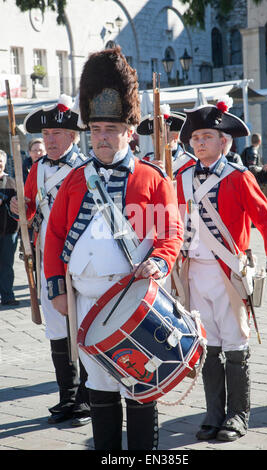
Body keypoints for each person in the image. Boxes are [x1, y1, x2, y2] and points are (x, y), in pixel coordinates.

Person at [43, 47, 184, 450]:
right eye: (96, 130)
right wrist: (57, 289)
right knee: (100, 387)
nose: (101, 138)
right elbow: (54, 238)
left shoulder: (151, 179)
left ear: (128, 131)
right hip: (86, 300)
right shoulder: (75, 180)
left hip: (133, 300)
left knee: (141, 383)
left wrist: (157, 263)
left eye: (111, 129)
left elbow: (168, 235)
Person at [176, 99, 267, 442]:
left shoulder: (238, 177)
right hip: (192, 273)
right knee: (206, 344)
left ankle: (238, 415)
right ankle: (213, 414)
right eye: (195, 138)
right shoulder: (179, 176)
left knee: (235, 343)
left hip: (227, 271)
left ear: (224, 141)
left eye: (206, 137)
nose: (199, 143)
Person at [10, 95, 91, 427]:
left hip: (81, 259)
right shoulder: (39, 168)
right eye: (47, 135)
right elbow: (30, 209)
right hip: (47, 257)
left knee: (82, 325)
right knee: (57, 328)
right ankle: (67, 396)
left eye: (57, 134)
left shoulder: (85, 168)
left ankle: (88, 397)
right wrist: (19, 207)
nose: (51, 140)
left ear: (72, 136)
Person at [137, 107, 196, 177]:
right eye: (153, 137)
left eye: (161, 137)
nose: (156, 142)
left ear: (175, 137)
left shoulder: (191, 163)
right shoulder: (146, 162)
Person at [0, 150, 19, 306]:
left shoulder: (12, 182)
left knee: (7, 265)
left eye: (0, 160)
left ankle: (8, 296)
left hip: (9, 232)